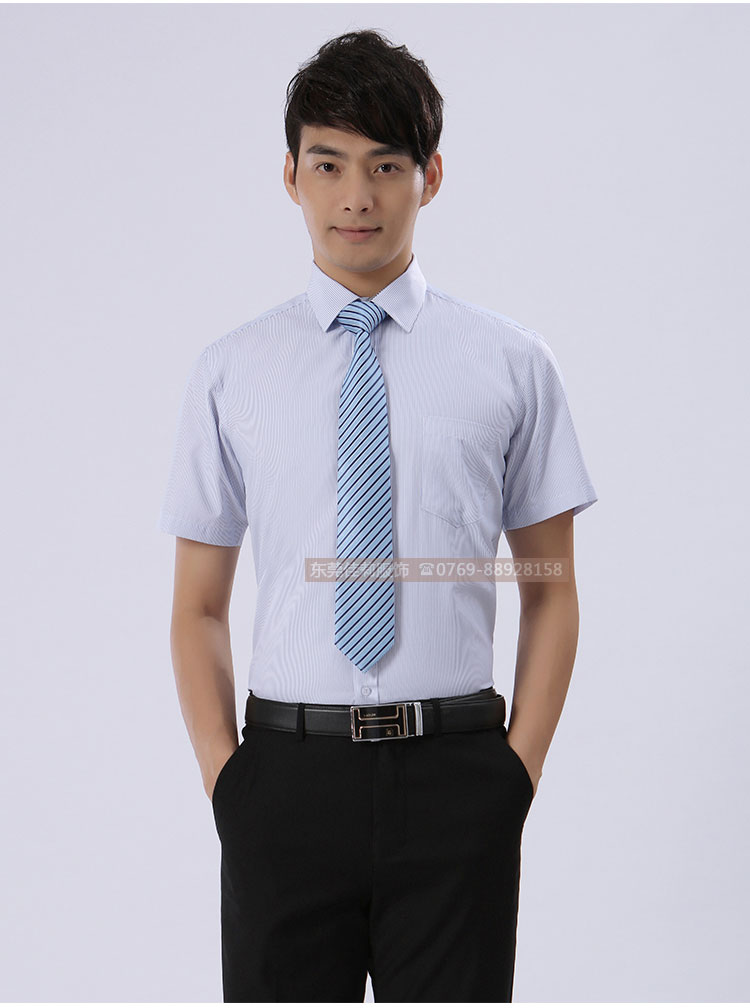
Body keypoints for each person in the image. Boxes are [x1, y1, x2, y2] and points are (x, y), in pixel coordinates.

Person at [158, 28, 598, 1003]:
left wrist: (513, 778)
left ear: (430, 177)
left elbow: (551, 591)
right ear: (291, 176)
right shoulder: (232, 372)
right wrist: (230, 783)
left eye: (385, 166)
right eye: (329, 164)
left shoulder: (511, 364)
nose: (356, 196)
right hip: (284, 784)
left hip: (456, 781)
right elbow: (196, 605)